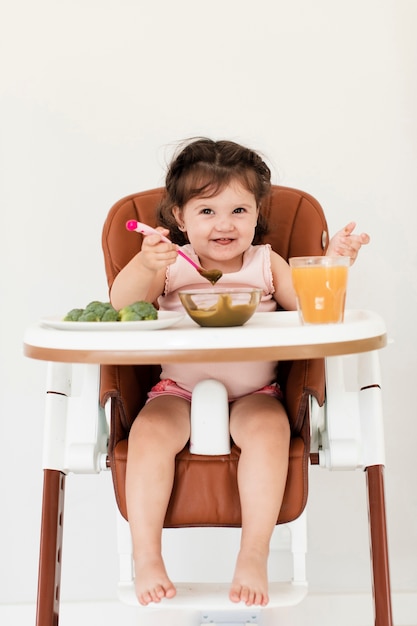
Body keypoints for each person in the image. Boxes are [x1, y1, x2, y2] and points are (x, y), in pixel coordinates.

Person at [110, 138, 370, 608]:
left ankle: (254, 553)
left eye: (239, 211)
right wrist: (146, 262)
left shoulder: (264, 263)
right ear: (178, 216)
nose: (224, 225)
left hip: (257, 392)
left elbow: (312, 307)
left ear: (257, 213)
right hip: (178, 391)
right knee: (149, 436)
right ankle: (146, 555)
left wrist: (335, 262)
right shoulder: (173, 264)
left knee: (271, 433)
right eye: (206, 212)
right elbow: (122, 303)